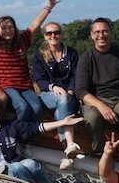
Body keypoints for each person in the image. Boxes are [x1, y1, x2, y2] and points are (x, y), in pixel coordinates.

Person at [0, 0, 60, 122]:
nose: (8, 30)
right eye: (4, 28)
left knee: (36, 107)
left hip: (25, 85)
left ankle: (30, 137)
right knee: (22, 107)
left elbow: (36, 24)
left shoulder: (22, 41)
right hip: (7, 86)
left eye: (10, 27)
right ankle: (15, 135)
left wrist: (48, 8)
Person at [76, 18, 119, 170]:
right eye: (97, 32)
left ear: (111, 33)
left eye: (105, 31)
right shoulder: (86, 58)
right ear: (92, 35)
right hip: (95, 99)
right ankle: (99, 155)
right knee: (92, 118)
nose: (101, 35)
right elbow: (81, 90)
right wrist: (101, 106)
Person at [33, 21, 83, 169]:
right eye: (49, 33)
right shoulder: (40, 55)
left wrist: (70, 90)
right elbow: (39, 79)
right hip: (48, 95)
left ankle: (67, 152)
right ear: (45, 36)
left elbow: (76, 76)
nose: (53, 36)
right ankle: (69, 145)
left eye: (56, 32)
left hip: (69, 96)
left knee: (62, 105)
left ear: (61, 35)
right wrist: (52, 87)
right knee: (62, 100)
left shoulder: (71, 53)